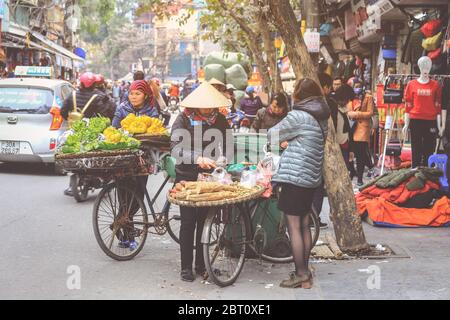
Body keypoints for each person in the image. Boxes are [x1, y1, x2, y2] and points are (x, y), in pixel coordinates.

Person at [268, 78, 330, 289]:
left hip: (295, 177)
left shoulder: (298, 116)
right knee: (304, 224)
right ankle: (306, 273)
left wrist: (287, 140)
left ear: (298, 95)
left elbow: (272, 135)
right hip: (311, 178)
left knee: (293, 226)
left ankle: (301, 273)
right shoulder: (321, 116)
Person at [170, 81, 230, 282]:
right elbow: (176, 148)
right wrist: (197, 158)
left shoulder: (220, 120)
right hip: (186, 175)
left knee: (205, 221)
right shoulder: (183, 119)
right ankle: (186, 267)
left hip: (209, 178)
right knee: (188, 222)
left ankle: (202, 264)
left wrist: (223, 161)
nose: (207, 108)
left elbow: (227, 146)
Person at [61, 72, 116, 196]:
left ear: (80, 82)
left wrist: (70, 119)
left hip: (75, 130)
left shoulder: (72, 94)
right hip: (93, 131)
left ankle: (73, 182)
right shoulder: (100, 96)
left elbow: (63, 111)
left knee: (74, 151)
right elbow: (108, 112)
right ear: (94, 84)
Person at [347, 78, 375, 186]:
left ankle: (359, 178)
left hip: (362, 127)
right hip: (351, 128)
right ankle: (353, 171)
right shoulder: (349, 98)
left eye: (359, 85)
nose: (357, 88)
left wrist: (356, 114)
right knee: (350, 152)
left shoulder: (368, 97)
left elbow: (370, 113)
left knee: (361, 155)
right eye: (355, 86)